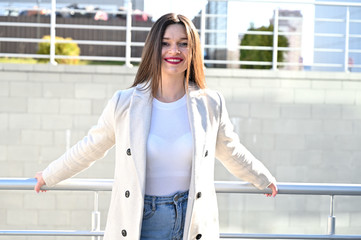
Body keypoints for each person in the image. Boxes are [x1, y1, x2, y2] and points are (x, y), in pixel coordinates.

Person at [34, 13, 277, 240]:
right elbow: (91, 147)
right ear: (154, 47)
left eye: (183, 43)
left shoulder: (210, 103)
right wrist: (49, 175)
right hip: (142, 220)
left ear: (193, 50)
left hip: (192, 220)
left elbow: (231, 150)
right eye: (166, 42)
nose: (174, 50)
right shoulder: (125, 103)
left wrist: (264, 178)